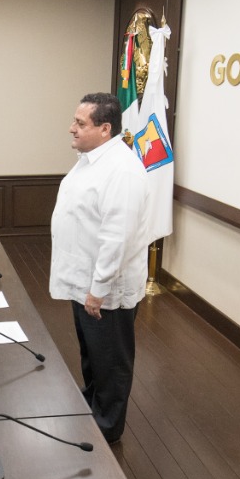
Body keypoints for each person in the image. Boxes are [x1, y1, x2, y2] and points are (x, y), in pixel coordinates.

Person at [50, 93, 148, 444]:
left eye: (80, 123)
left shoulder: (122, 170)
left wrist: (98, 289)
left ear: (105, 129)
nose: (71, 128)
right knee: (92, 354)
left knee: (111, 360)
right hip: (84, 281)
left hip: (104, 289)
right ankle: (92, 407)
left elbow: (117, 238)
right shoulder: (91, 160)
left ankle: (107, 428)